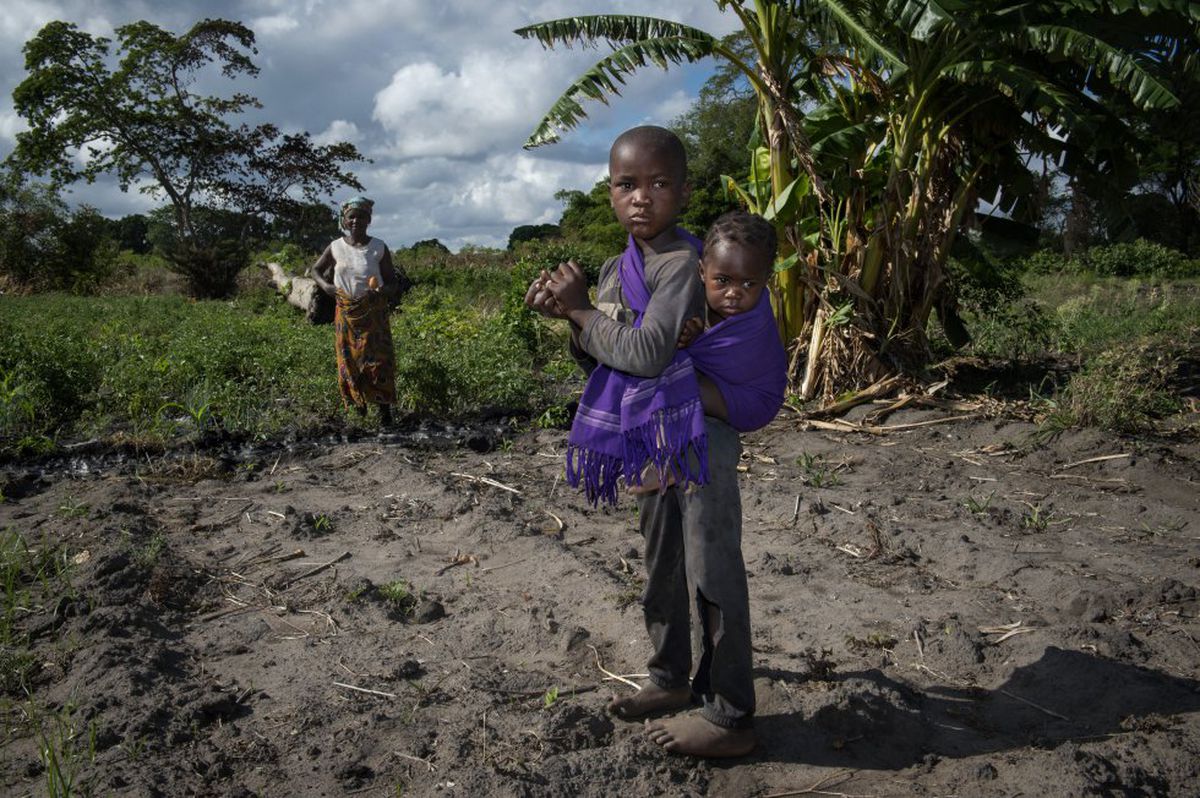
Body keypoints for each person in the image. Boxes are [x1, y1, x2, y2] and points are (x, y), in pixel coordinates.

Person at [526, 127, 783, 758]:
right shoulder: (619, 267)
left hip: (702, 440)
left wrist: (586, 314)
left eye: (659, 183)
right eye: (626, 184)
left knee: (711, 567)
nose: (642, 198)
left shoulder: (685, 266)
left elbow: (642, 354)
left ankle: (731, 716)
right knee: (661, 563)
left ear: (684, 191)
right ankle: (670, 679)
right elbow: (603, 364)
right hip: (653, 438)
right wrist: (570, 317)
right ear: (610, 193)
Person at [631, 209, 786, 494]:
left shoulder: (754, 323)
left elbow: (719, 354)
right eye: (723, 281)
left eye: (749, 283)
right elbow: (702, 341)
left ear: (767, 279)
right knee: (663, 372)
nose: (733, 293)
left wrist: (691, 340)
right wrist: (692, 334)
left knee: (670, 382)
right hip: (720, 384)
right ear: (702, 271)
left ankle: (673, 462)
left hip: (751, 398)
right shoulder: (700, 297)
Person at [311, 196, 402, 426]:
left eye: (361, 216)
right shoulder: (335, 247)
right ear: (344, 220)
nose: (356, 221)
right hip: (346, 312)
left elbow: (393, 283)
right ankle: (358, 410)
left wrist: (380, 292)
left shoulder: (378, 247)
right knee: (349, 361)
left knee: (379, 361)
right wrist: (328, 288)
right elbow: (316, 270)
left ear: (369, 220)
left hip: (374, 314)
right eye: (352, 216)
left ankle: (384, 414)